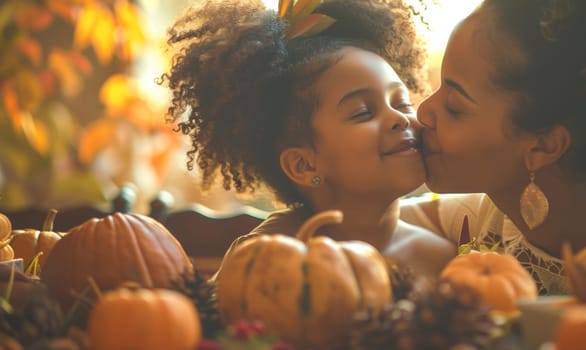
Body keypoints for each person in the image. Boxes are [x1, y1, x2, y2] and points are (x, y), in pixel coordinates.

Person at [160, 0, 456, 277]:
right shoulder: (261, 263)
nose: (399, 118)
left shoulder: (442, 258)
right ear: (303, 165)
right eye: (363, 112)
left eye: (402, 102)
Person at [401, 0, 586, 295]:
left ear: (543, 147)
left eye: (454, 107)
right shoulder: (490, 215)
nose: (424, 111)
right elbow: (382, 221)